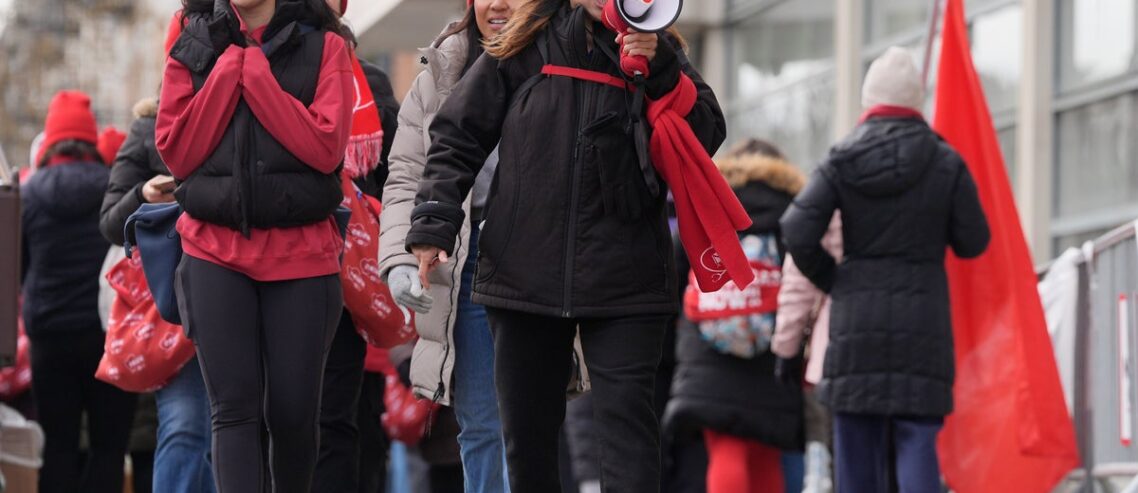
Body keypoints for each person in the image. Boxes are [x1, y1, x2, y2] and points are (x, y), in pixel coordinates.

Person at [403, 0, 726, 490]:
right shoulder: (525, 41)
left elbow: (706, 135)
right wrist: (433, 224)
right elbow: (457, 135)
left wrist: (659, 69)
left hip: (628, 278)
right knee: (528, 444)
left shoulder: (661, 52)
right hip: (522, 274)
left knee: (629, 438)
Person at [155, 0, 355, 490]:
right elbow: (177, 152)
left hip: (303, 256)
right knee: (233, 412)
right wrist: (228, 74)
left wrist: (259, 80)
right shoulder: (192, 40)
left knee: (293, 414)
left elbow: (325, 149)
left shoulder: (327, 45)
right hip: (213, 252)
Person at [779, 47, 991, 493]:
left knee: (856, 448)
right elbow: (974, 242)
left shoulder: (841, 158)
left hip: (855, 324)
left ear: (868, 100)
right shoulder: (946, 161)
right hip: (924, 325)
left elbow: (796, 228)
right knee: (918, 442)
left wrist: (834, 278)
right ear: (916, 100)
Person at [378, 1, 524, 492]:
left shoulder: (563, 62)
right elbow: (405, 178)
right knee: (481, 422)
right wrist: (399, 260)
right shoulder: (439, 73)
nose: (498, 3)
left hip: (543, 257)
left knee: (534, 421)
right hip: (468, 258)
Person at [664, 138, 806, 493]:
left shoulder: (706, 203)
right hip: (772, 354)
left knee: (727, 451)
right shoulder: (794, 210)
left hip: (708, 354)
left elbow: (672, 272)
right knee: (765, 453)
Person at [21, 90, 139, 493]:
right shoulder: (113, 189)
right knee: (109, 447)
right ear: (90, 139)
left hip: (49, 337)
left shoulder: (29, 193)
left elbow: (18, 268)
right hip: (107, 336)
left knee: (58, 445)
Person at [100, 91, 217, 492]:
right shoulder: (149, 127)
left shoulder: (247, 108)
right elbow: (111, 222)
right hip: (176, 304)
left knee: (237, 430)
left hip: (244, 288)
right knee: (186, 427)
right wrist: (143, 196)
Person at [313, 1, 401, 492]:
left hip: (349, 277)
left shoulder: (371, 82)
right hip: (282, 262)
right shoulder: (263, 67)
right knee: (274, 415)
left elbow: (396, 178)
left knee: (338, 416)